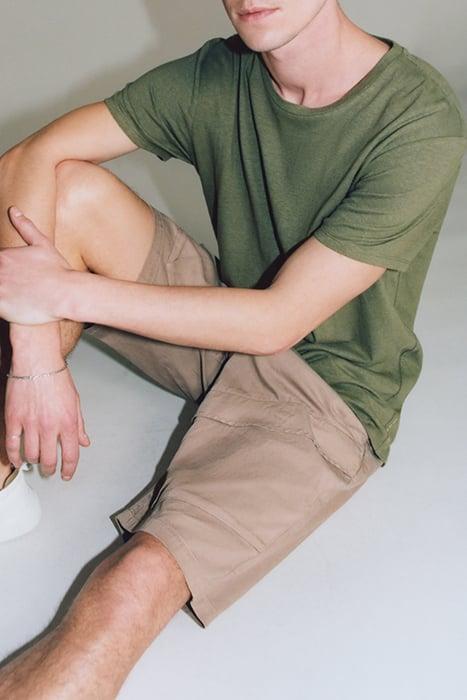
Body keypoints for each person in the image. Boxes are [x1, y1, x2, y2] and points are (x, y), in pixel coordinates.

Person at [0, 0, 465, 695]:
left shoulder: (418, 118)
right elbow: (28, 158)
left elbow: (278, 320)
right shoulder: (220, 75)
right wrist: (34, 354)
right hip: (222, 332)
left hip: (328, 397)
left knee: (132, 586)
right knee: (65, 191)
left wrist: (63, 294)